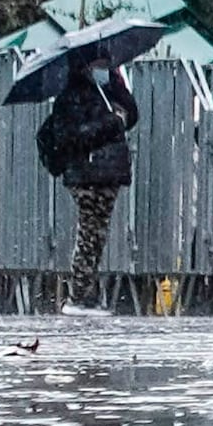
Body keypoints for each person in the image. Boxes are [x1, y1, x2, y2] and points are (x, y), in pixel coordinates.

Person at [38, 53, 136, 309]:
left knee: (96, 233)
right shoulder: (71, 97)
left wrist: (115, 84)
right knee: (90, 232)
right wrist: (112, 123)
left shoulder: (110, 90)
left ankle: (85, 292)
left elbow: (132, 113)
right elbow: (73, 137)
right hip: (86, 173)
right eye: (98, 64)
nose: (103, 68)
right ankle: (79, 295)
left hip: (109, 173)